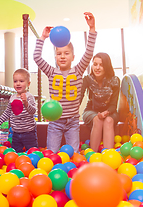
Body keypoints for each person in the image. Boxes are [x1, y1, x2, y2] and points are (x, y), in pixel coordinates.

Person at [33, 12, 97, 153]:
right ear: (55, 56)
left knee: (74, 153)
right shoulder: (51, 72)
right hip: (55, 122)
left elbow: (89, 53)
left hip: (73, 121)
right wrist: (43, 37)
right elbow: (37, 57)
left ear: (73, 57)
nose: (62, 56)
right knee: (52, 153)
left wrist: (91, 29)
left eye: (66, 53)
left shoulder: (78, 70)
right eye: (59, 53)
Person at [80, 52, 120, 152]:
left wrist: (107, 112)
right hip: (91, 111)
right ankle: (93, 156)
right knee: (98, 120)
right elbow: (79, 98)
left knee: (108, 120)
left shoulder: (114, 81)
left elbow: (113, 104)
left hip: (110, 112)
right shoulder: (87, 79)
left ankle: (108, 156)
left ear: (106, 66)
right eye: (95, 64)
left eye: (101, 65)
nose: (97, 68)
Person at [0, 68, 38, 152]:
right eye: (15, 81)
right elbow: (7, 112)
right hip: (16, 133)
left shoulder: (29, 96)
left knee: (32, 152)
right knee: (16, 154)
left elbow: (33, 111)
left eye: (21, 81)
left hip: (29, 132)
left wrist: (26, 103)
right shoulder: (12, 97)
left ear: (28, 83)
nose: (18, 84)